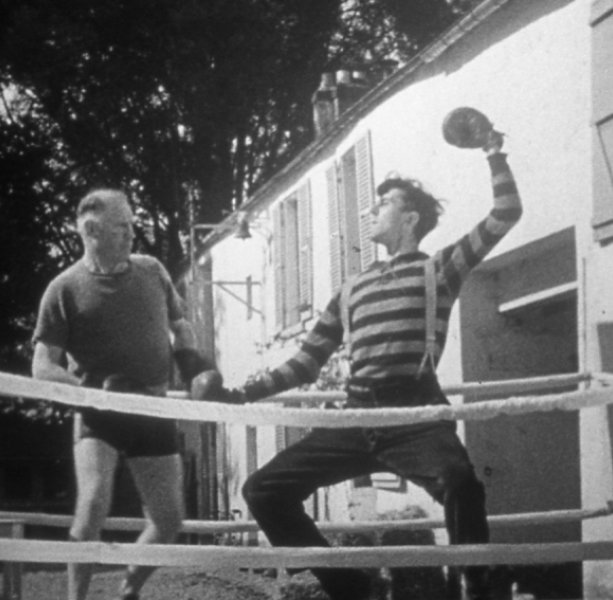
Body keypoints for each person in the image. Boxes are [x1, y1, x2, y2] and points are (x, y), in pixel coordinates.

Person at [195, 125, 521, 600]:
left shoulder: (439, 268)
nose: (371, 210)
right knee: (263, 490)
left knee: (460, 482)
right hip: (354, 414)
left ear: (409, 218)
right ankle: (351, 588)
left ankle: (477, 586)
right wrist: (239, 395)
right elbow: (305, 364)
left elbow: (506, 213)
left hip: (415, 417)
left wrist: (493, 150)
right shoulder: (350, 289)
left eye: (383, 203)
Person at [32, 189, 209, 600]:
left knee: (168, 520)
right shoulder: (64, 288)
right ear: (91, 231)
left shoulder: (152, 271)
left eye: (133, 224)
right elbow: (42, 366)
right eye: (121, 226)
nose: (132, 233)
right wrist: (87, 394)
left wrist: (193, 369)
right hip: (98, 412)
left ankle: (127, 591)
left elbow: (181, 325)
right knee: (93, 503)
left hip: (151, 405)